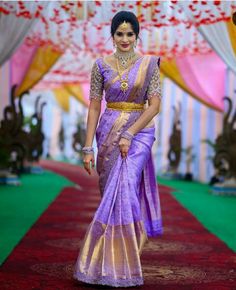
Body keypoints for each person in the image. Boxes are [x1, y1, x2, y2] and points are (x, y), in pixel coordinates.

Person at [73, 10, 163, 287]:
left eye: (130, 33)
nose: (125, 38)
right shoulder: (100, 65)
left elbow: (155, 105)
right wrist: (88, 147)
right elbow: (93, 106)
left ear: (137, 35)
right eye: (120, 33)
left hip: (140, 130)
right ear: (112, 35)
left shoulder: (149, 64)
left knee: (124, 186)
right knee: (109, 190)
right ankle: (111, 258)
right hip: (108, 131)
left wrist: (130, 133)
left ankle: (128, 254)